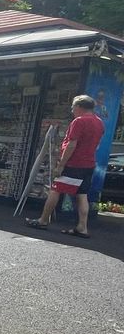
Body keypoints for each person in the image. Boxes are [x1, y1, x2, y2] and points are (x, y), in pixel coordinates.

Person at [27, 95, 105, 237]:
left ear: (79, 107)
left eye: (73, 107)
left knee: (55, 190)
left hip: (73, 164)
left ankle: (43, 220)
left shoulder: (79, 121)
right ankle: (82, 227)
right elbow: (97, 144)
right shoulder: (99, 122)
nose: (72, 110)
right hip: (89, 164)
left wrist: (61, 165)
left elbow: (72, 144)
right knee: (82, 195)